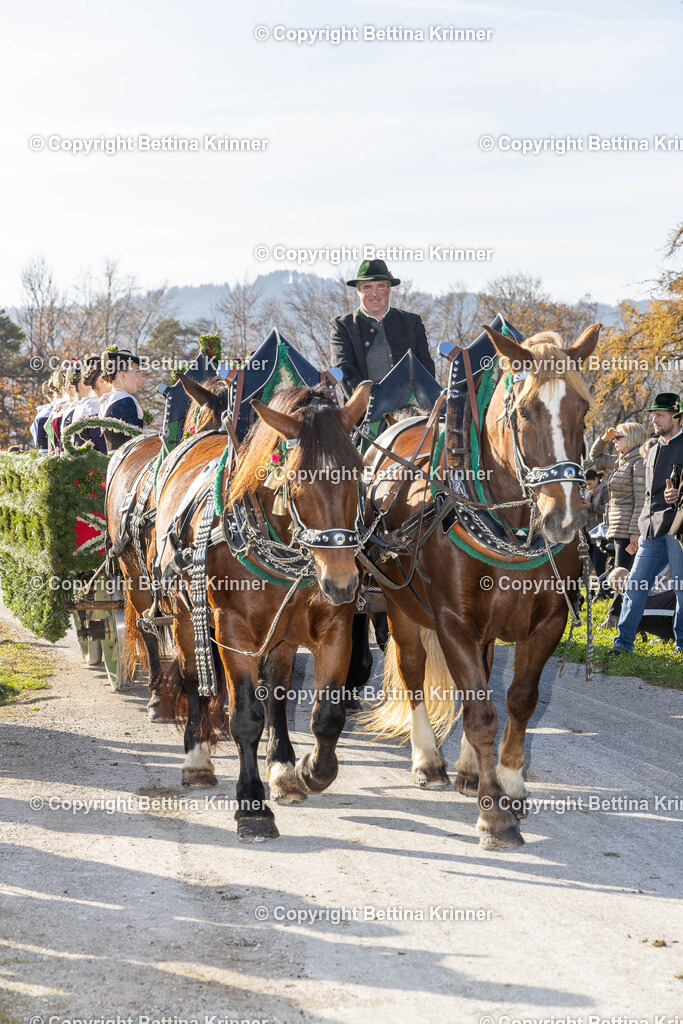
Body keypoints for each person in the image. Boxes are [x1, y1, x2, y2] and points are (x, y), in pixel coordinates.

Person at [608, 392, 683, 658]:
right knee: (635, 585)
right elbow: (646, 496)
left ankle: (681, 646)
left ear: (676, 416)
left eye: (660, 414)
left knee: (681, 589)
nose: (654, 419)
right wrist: (638, 531)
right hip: (650, 531)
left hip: (678, 531)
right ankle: (623, 643)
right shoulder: (651, 450)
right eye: (653, 414)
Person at [329, 259, 435, 399]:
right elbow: (344, 370)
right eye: (367, 287)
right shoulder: (343, 326)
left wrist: (427, 401)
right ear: (358, 290)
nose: (374, 293)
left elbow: (425, 367)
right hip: (367, 410)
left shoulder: (412, 322)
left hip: (413, 407)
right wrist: (368, 403)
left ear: (389, 288)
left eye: (380, 286)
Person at [589, 421, 648, 627]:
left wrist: (635, 533)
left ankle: (615, 617)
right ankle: (620, 615)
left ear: (631, 438)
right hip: (616, 526)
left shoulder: (638, 463)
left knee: (623, 571)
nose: (615, 440)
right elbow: (594, 457)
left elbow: (640, 501)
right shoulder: (621, 461)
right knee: (618, 570)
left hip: (627, 528)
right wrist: (603, 439)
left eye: (618, 437)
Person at [98, 347, 144, 451]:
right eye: (137, 372)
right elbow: (133, 444)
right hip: (129, 462)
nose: (140, 377)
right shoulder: (125, 401)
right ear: (123, 375)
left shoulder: (107, 400)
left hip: (113, 462)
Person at [582, 468, 609, 589]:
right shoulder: (589, 494)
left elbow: (608, 509)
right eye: (586, 484)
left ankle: (603, 591)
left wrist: (591, 506)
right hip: (590, 535)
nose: (588, 487)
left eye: (590, 483)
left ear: (596, 479)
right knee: (595, 564)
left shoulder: (605, 490)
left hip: (602, 534)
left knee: (599, 564)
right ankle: (603, 590)